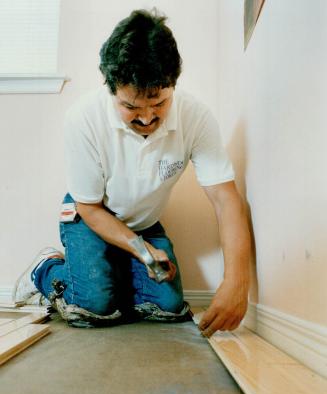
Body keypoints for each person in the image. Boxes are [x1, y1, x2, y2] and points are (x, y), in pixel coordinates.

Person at [14, 9, 250, 336]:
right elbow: (90, 207)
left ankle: (111, 273)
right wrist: (141, 250)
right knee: (94, 307)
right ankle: (46, 269)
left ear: (172, 85)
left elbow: (226, 200)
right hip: (89, 215)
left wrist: (237, 282)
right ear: (112, 90)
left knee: (167, 309)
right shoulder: (82, 119)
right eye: (131, 107)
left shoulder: (197, 118)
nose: (146, 119)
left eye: (159, 103)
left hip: (143, 221)